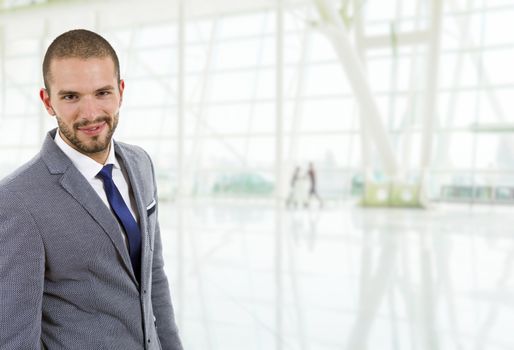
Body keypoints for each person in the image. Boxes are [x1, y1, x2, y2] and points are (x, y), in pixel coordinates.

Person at [0, 29, 183, 349]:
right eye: (71, 96)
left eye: (102, 93)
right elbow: (15, 337)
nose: (90, 114)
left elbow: (154, 279)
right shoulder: (18, 200)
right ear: (47, 101)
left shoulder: (140, 164)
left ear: (121, 92)